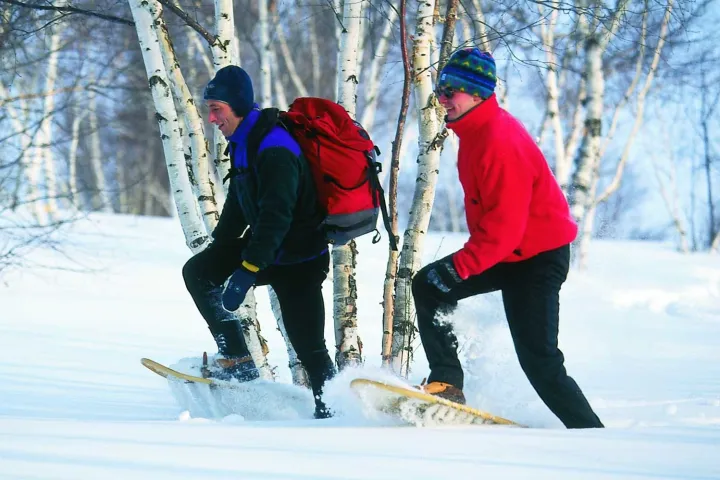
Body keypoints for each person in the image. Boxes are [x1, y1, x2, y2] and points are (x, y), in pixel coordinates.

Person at [411, 48, 604, 429]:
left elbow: (505, 227)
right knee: (429, 286)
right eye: (440, 89)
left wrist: (460, 267)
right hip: (508, 252)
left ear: (478, 94)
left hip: (537, 257)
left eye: (452, 91)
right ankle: (447, 381)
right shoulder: (474, 132)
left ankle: (590, 433)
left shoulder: (498, 140)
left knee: (539, 359)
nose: (443, 98)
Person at [182, 65, 336, 419]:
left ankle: (333, 414)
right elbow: (239, 201)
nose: (211, 118)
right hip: (269, 251)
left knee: (310, 350)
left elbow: (276, 216)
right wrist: (219, 248)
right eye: (209, 110)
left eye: (217, 109)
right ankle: (237, 358)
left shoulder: (275, 147)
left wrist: (248, 269)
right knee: (199, 272)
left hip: (300, 260)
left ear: (237, 105)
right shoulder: (243, 143)